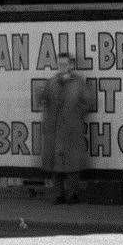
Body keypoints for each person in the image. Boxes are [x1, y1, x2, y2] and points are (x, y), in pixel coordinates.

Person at [38, 53, 93, 204]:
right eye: (59, 64)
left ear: (71, 65)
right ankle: (59, 195)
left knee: (73, 165)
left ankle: (73, 195)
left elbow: (88, 103)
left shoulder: (79, 82)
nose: (62, 67)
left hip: (72, 129)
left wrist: (75, 115)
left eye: (64, 64)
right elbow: (42, 99)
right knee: (56, 165)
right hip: (55, 129)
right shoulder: (52, 82)